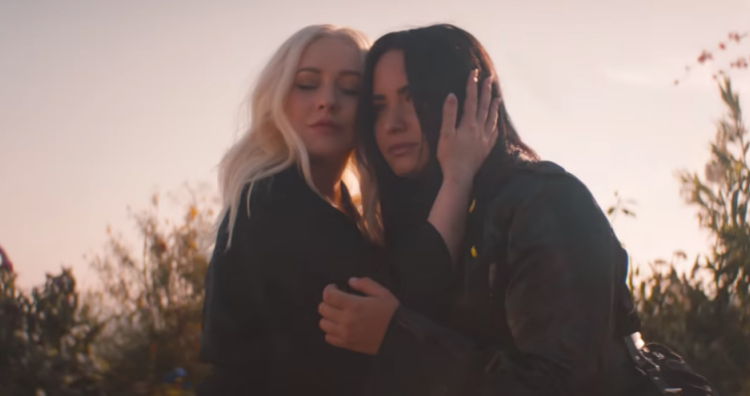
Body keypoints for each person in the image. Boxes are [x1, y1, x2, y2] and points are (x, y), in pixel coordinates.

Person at [318, 24, 655, 396]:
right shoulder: (416, 221)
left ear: (469, 100)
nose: (392, 124)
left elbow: (559, 384)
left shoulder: (546, 203)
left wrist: (398, 338)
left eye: (413, 99)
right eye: (379, 107)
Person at [197, 24, 498, 396]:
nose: (328, 100)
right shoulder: (269, 201)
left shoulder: (340, 204)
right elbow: (409, 303)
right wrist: (458, 176)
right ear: (278, 98)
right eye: (307, 84)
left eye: (351, 89)